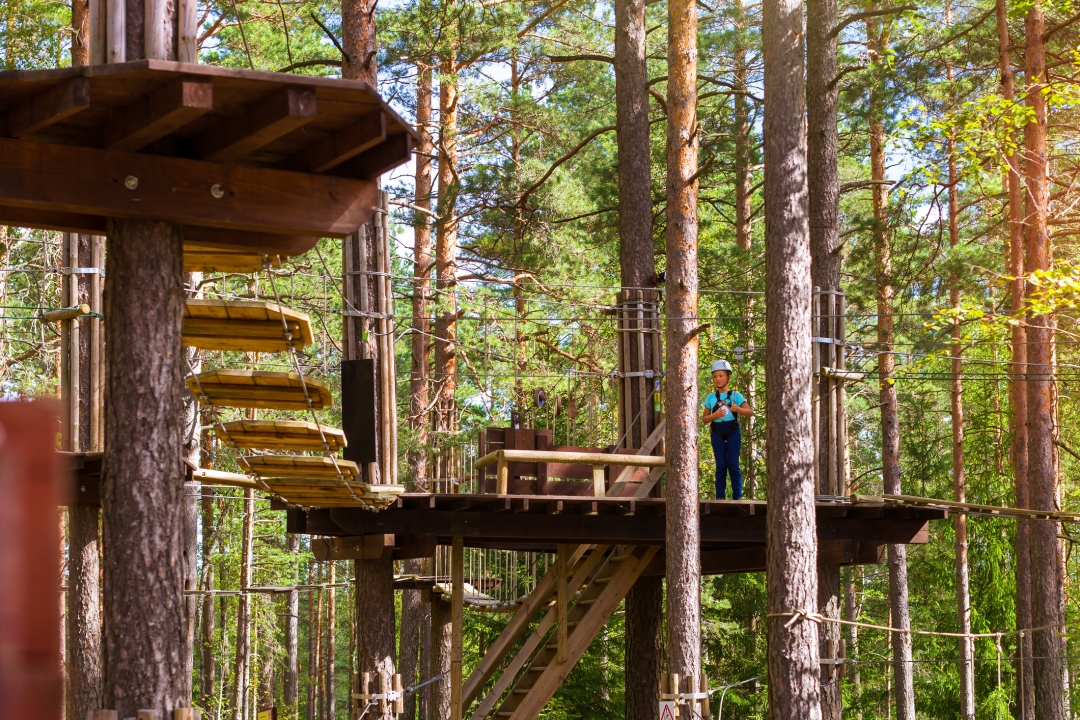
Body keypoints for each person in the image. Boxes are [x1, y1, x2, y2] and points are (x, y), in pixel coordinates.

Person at [702, 359, 754, 500]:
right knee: (721, 465)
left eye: (721, 375)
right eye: (715, 376)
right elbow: (704, 418)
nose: (718, 379)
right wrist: (715, 415)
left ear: (728, 377)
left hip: (732, 430)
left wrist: (738, 409)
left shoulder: (736, 396)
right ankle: (720, 497)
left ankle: (738, 496)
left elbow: (749, 412)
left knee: (733, 463)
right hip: (717, 431)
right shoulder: (711, 398)